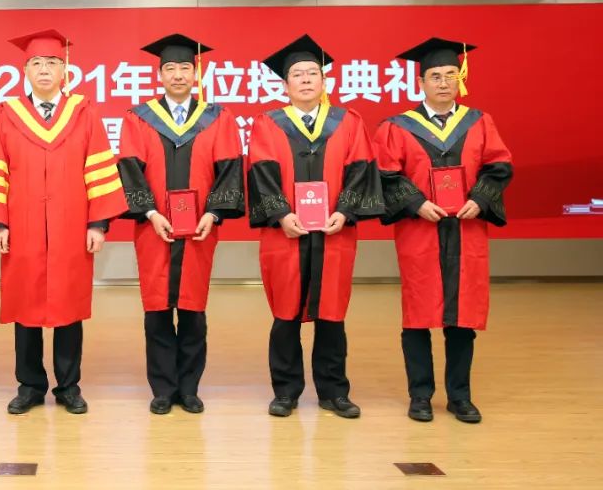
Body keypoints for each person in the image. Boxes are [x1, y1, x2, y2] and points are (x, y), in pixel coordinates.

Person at [0, 29, 128, 415]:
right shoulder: (7, 115)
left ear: (65, 71)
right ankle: (29, 386)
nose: (44, 69)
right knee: (25, 306)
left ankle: (68, 386)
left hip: (71, 226)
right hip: (23, 226)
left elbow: (98, 169)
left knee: (68, 306)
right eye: (36, 63)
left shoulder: (84, 113)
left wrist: (98, 224)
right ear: (24, 70)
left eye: (52, 63)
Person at [373, 37, 513, 424]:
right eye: (435, 76)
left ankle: (460, 397)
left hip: (466, 229)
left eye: (451, 75)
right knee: (418, 315)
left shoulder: (479, 122)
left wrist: (480, 199)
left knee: (462, 316)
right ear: (421, 82)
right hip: (420, 230)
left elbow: (499, 166)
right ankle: (420, 396)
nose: (444, 82)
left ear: (460, 79)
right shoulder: (397, 127)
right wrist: (416, 202)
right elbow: (385, 173)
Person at [247, 34, 384, 419]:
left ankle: (334, 392)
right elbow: (260, 172)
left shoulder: (348, 122)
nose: (306, 79)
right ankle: (286, 392)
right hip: (285, 235)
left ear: (324, 81)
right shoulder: (268, 124)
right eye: (297, 74)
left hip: (334, 232)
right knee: (285, 315)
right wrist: (280, 214)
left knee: (332, 314)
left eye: (312, 73)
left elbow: (360, 169)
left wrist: (345, 210)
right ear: (285, 84)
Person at [116, 34, 245, 414]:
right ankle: (162, 389)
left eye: (185, 68)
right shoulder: (138, 118)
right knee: (157, 309)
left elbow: (229, 170)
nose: (177, 75)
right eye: (170, 68)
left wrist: (213, 213)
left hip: (200, 228)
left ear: (196, 73)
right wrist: (151, 213)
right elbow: (130, 169)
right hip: (153, 228)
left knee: (192, 308)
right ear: (159, 75)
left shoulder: (218, 118)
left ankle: (188, 388)